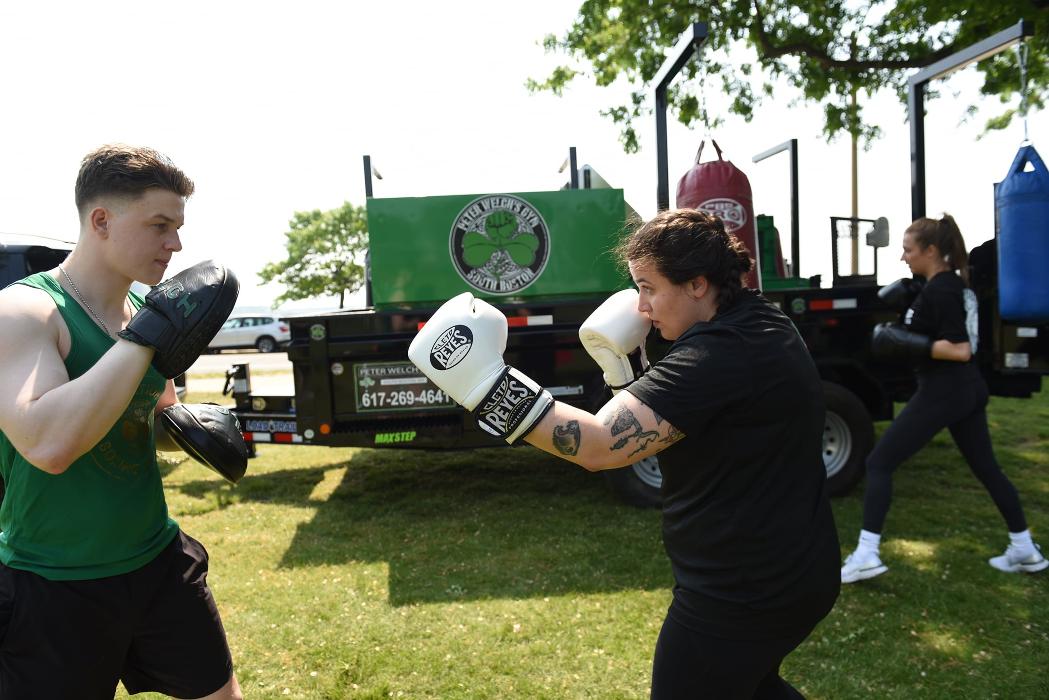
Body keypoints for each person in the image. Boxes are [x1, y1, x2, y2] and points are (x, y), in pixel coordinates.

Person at [409, 208, 840, 699]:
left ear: (697, 284)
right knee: (752, 686)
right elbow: (679, 425)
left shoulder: (719, 353)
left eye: (649, 287)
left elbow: (599, 446)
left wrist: (486, 387)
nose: (641, 307)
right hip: (784, 569)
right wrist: (628, 368)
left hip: (743, 589)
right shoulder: (758, 320)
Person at [0, 145, 243, 698]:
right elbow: (48, 445)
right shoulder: (25, 312)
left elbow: (150, 419)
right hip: (54, 580)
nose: (176, 244)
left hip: (157, 562)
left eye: (179, 227)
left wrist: (193, 430)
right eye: (160, 225)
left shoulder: (144, 308)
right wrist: (148, 338)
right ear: (101, 220)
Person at [841, 214, 1047, 584]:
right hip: (962, 390)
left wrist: (907, 342)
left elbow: (961, 349)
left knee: (879, 463)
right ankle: (1025, 549)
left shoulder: (943, 290)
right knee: (987, 469)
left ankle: (867, 554)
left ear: (931, 250)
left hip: (946, 390)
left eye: (908, 250)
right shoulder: (947, 285)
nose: (903, 257)